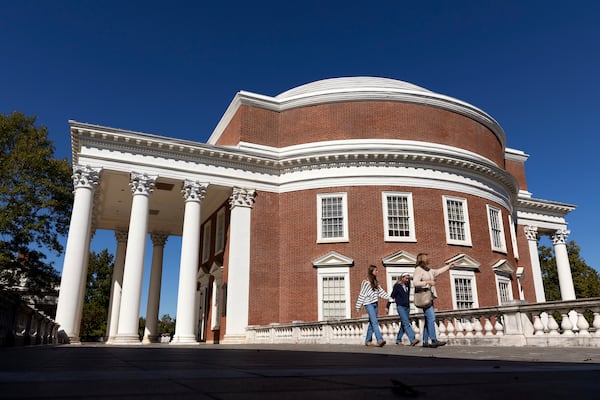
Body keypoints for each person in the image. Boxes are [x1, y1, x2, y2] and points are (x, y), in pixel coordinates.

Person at [413, 253, 455, 348]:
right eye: (427, 258)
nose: (429, 260)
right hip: (424, 297)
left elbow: (438, 271)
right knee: (431, 318)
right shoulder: (418, 270)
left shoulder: (428, 270)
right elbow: (415, 282)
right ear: (423, 260)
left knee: (429, 320)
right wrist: (428, 282)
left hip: (429, 297)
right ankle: (433, 340)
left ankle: (425, 341)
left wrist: (448, 266)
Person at [355, 264, 390, 347]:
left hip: (375, 303)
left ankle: (367, 341)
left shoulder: (375, 282)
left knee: (372, 322)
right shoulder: (365, 282)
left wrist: (390, 298)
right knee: (375, 322)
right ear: (371, 271)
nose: (377, 272)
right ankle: (380, 340)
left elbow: (381, 292)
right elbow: (362, 294)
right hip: (368, 304)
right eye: (375, 270)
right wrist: (358, 305)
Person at [387, 272, 420, 346]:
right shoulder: (397, 286)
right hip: (400, 307)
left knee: (403, 324)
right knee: (406, 322)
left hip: (407, 307)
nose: (407, 280)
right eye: (406, 278)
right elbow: (392, 296)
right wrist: (387, 306)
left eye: (408, 278)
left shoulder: (407, 285)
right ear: (402, 278)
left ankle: (398, 340)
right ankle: (412, 339)